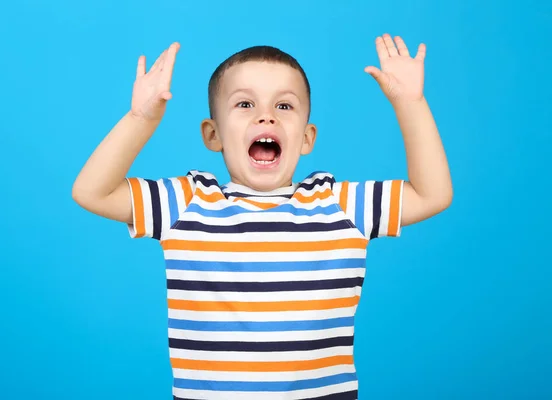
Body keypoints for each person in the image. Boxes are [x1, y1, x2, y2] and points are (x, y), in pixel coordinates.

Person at [72, 34, 453, 399]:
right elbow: (92, 191)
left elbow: (430, 194)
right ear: (213, 134)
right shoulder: (185, 204)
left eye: (283, 106)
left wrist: (410, 103)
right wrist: (141, 118)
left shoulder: (341, 206)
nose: (266, 118)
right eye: (245, 104)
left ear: (306, 138)